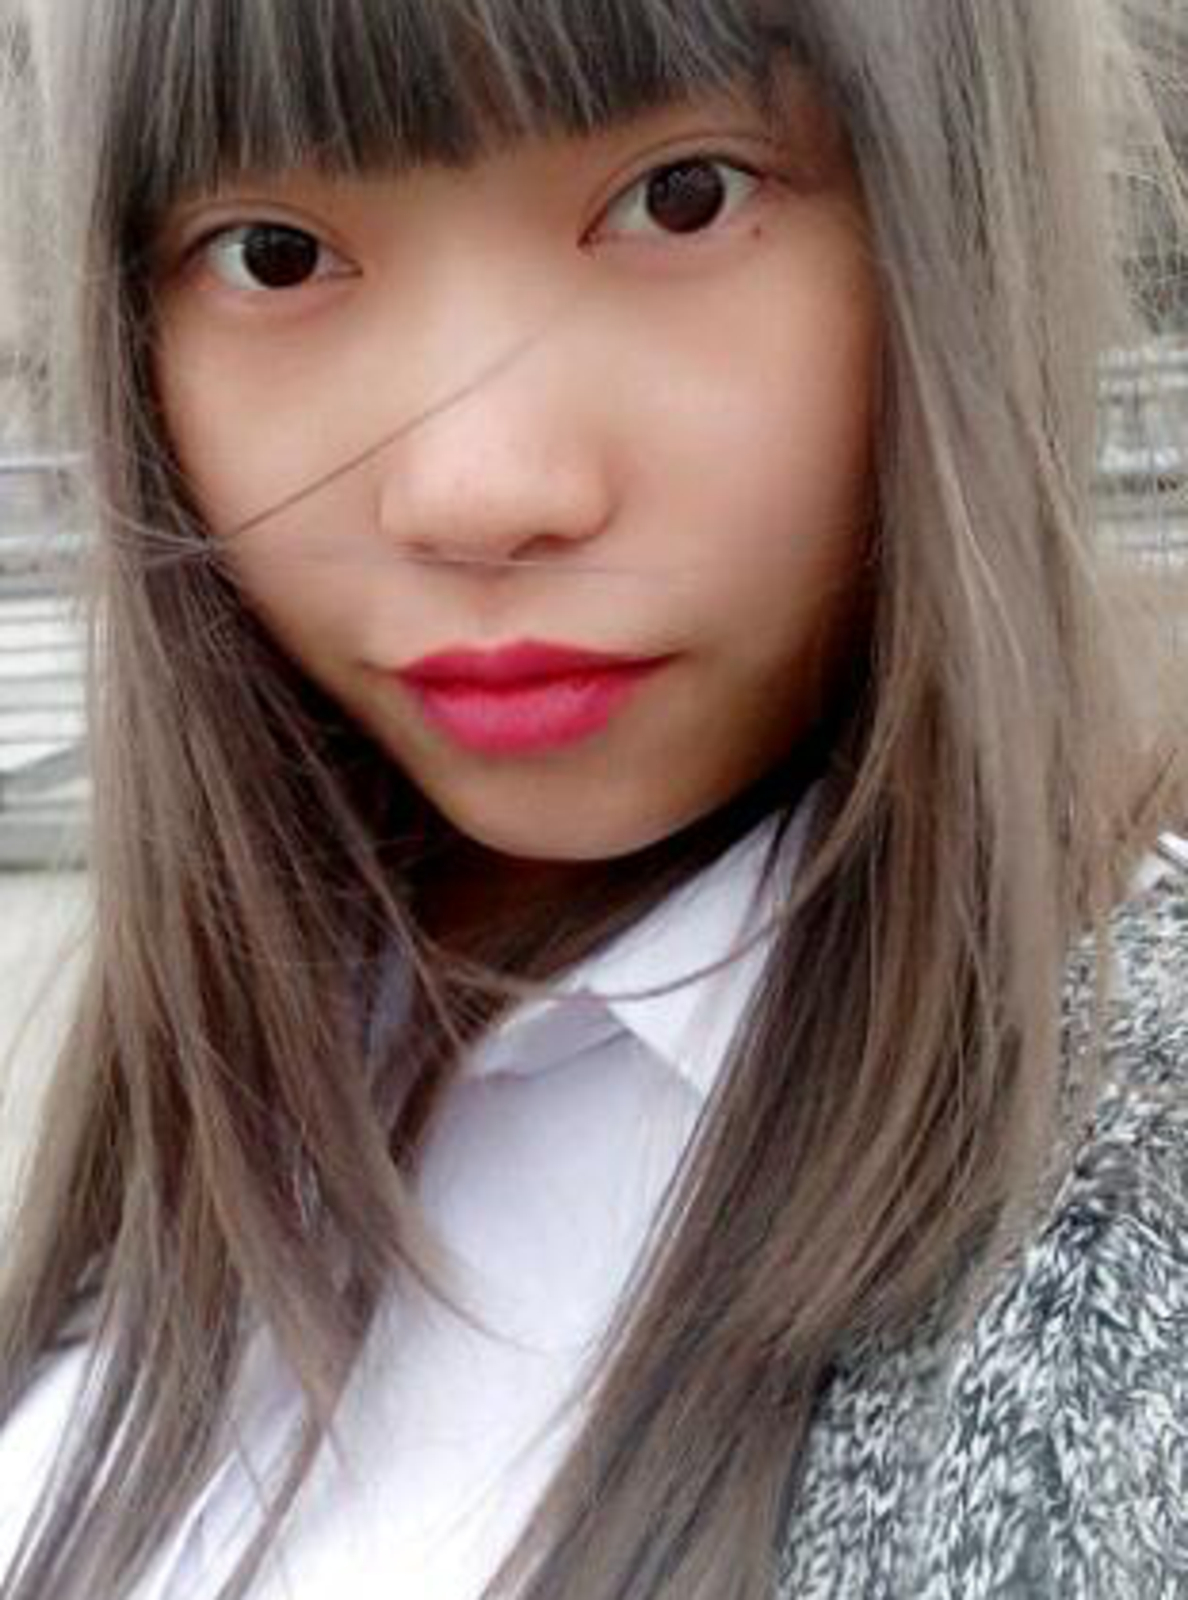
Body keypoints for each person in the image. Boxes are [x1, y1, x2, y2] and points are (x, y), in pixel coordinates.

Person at [0, 1, 1186, 1596]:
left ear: (960, 219)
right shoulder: (247, 1066)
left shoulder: (1122, 1228)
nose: (477, 490)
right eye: (276, 257)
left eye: (683, 199)